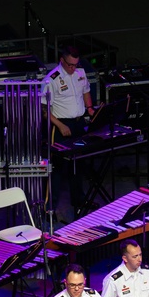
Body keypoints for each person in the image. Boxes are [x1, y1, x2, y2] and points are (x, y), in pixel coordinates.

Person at [43, 45, 94, 220]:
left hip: (78, 123)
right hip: (60, 125)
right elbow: (43, 109)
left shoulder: (80, 73)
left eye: (75, 64)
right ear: (62, 61)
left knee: (78, 165)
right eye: (70, 65)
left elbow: (86, 90)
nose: (73, 68)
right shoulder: (52, 80)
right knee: (57, 168)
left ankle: (79, 200)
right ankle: (50, 209)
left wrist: (90, 109)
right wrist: (59, 125)